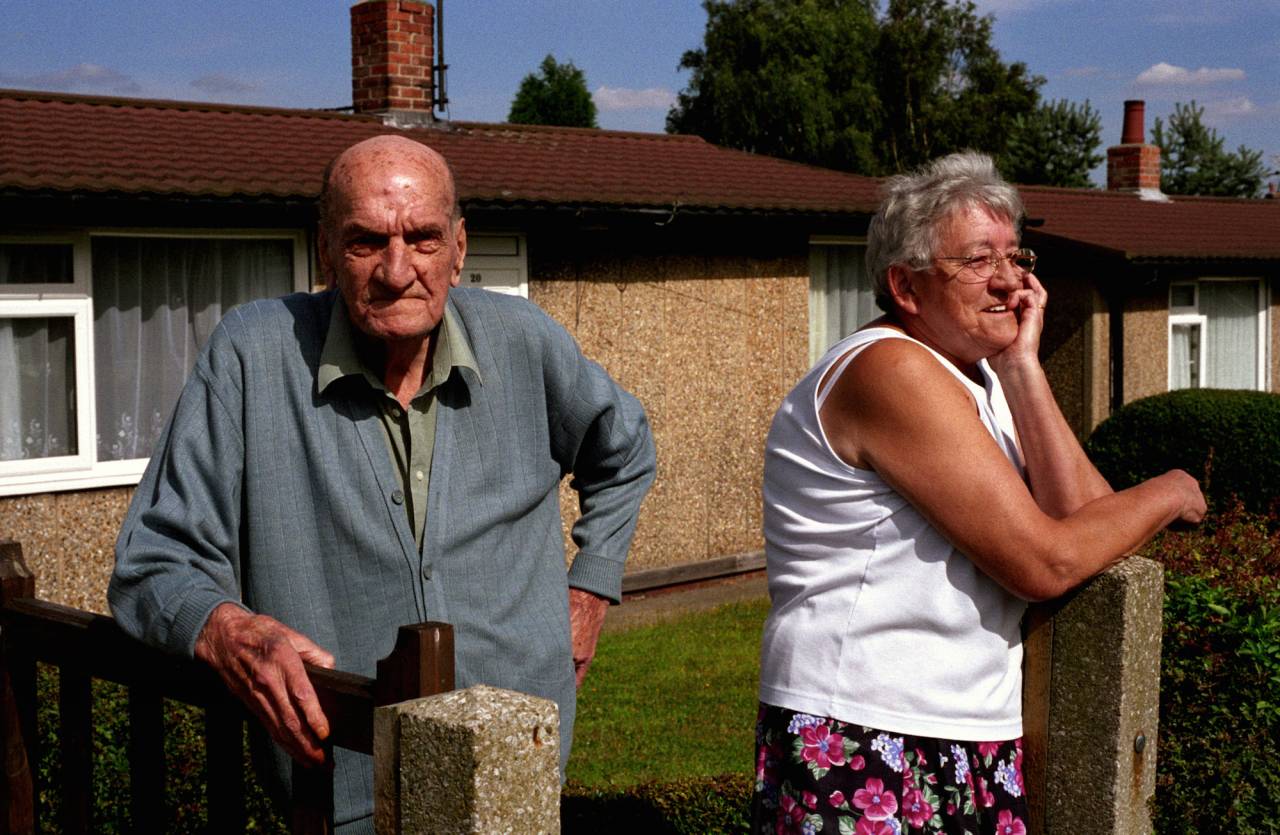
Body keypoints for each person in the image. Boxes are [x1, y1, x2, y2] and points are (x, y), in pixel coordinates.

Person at [109, 134, 655, 831]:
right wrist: (228, 628)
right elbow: (152, 561)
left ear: (459, 248)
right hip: (341, 791)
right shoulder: (253, 355)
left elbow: (626, 448)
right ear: (325, 250)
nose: (398, 271)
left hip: (516, 774)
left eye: (423, 238)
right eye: (367, 241)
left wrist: (591, 587)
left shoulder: (524, 341)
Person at [752, 152, 1204, 834]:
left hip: (959, 725)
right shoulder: (892, 370)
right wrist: (1170, 489)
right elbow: (1043, 561)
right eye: (978, 260)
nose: (1011, 281)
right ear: (906, 286)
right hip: (868, 728)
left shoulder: (973, 377)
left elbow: (1087, 522)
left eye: (1016, 255)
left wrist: (1021, 367)